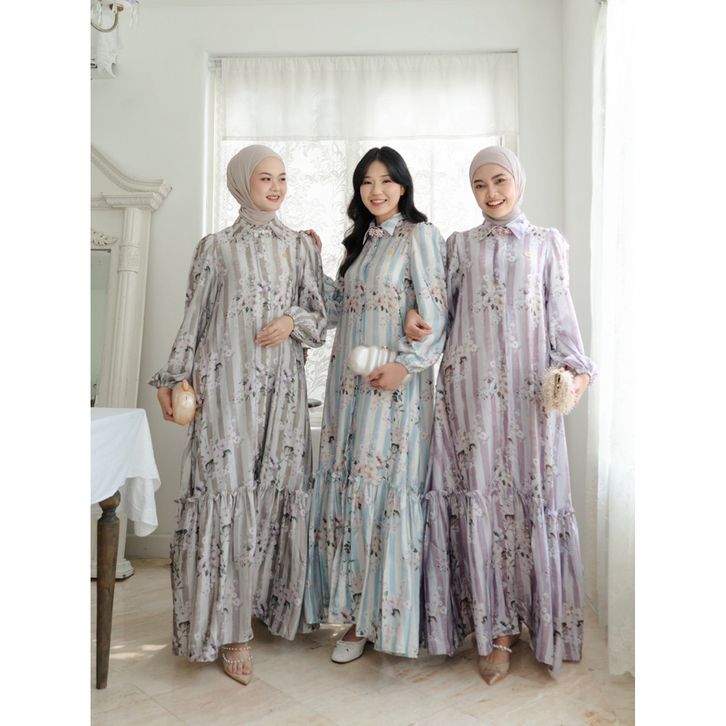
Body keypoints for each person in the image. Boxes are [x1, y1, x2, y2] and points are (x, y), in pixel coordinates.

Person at [405, 146, 596, 683]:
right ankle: (496, 629)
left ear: (517, 181)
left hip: (531, 397)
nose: (491, 193)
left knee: (532, 498)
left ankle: (539, 622)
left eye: (499, 181)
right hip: (469, 398)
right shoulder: (458, 245)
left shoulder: (547, 243)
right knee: (481, 501)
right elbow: (437, 310)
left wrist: (575, 373)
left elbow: (561, 314)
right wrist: (415, 316)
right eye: (479, 185)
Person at [149, 145, 327, 685]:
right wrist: (173, 376)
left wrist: (291, 321)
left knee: (274, 492)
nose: (275, 187)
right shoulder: (216, 248)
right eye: (264, 178)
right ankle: (230, 632)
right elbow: (195, 318)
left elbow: (319, 319)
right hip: (225, 390)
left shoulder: (300, 246)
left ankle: (266, 608)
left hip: (282, 394)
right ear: (240, 183)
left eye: (282, 178)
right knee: (225, 495)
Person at [304, 146, 447, 663]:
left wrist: (407, 365)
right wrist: (313, 260)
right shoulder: (362, 243)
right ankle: (355, 615)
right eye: (367, 182)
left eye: (386, 180)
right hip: (350, 387)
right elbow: (338, 310)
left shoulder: (420, 236)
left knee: (383, 491)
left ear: (403, 185)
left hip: (394, 389)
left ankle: (379, 622)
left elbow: (437, 315)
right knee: (350, 489)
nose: (376, 190)